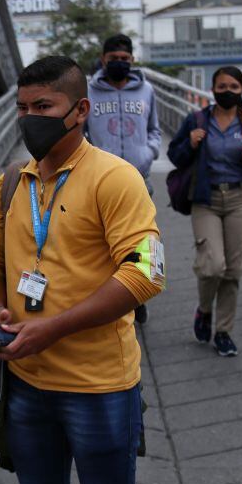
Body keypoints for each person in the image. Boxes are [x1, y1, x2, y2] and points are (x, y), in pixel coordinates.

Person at [0, 55, 165, 484]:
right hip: (26, 385)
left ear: (80, 110)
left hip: (99, 388)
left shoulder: (116, 179)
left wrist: (52, 329)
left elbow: (145, 273)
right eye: (23, 107)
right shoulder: (12, 182)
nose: (30, 117)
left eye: (43, 106)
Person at [167, 67, 242, 356]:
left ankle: (224, 332)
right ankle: (204, 310)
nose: (228, 91)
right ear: (213, 90)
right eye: (222, 86)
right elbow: (175, 156)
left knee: (234, 269)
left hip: (240, 198)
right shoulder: (197, 120)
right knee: (213, 265)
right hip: (206, 199)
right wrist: (190, 143)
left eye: (234, 87)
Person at [87, 33, 162, 325]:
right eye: (113, 59)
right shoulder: (89, 92)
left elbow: (155, 129)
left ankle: (139, 295)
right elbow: (79, 129)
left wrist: (149, 151)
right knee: (105, 243)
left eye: (124, 59)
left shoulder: (147, 91)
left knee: (143, 241)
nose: (119, 63)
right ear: (103, 59)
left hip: (139, 177)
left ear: (131, 60)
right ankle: (117, 297)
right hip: (101, 179)